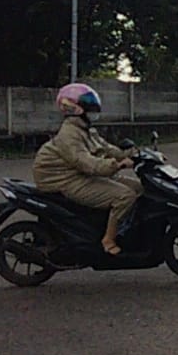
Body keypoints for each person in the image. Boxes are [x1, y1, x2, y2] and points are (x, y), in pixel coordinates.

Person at [33, 83, 143, 255]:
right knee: (125, 196)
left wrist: (137, 154)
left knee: (140, 188)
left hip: (82, 175)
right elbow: (87, 163)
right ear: (73, 108)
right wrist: (117, 165)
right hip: (67, 180)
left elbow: (108, 149)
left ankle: (128, 230)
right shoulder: (69, 134)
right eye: (88, 103)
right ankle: (109, 239)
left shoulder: (86, 130)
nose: (93, 107)